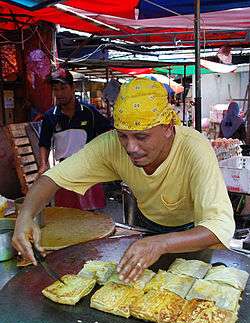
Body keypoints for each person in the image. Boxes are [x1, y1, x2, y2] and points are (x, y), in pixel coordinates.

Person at [12, 78, 235, 283]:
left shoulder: (194, 149)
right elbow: (52, 178)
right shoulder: (111, 145)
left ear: (168, 128)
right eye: (123, 135)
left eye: (141, 136)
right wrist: (25, 216)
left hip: (192, 233)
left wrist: (162, 243)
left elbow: (218, 227)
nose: (130, 147)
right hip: (146, 226)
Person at [38, 68, 112, 210]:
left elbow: (108, 133)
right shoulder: (50, 116)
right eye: (55, 89)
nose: (59, 93)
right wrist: (43, 164)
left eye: (63, 88)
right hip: (64, 170)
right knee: (67, 214)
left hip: (89, 171)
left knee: (93, 214)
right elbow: (44, 143)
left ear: (72, 88)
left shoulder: (89, 112)